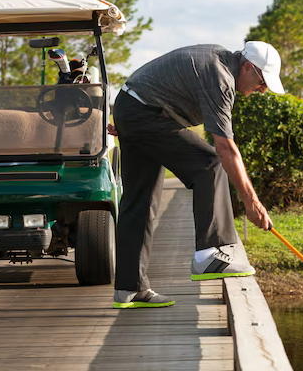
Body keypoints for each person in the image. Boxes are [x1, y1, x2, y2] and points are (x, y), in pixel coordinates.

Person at [111, 41, 285, 309]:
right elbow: (225, 148)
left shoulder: (219, 63)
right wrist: (252, 201)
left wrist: (127, 119)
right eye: (262, 82)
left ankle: (129, 289)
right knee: (210, 164)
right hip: (143, 113)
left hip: (131, 107)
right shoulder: (221, 77)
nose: (261, 90)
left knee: (140, 200)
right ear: (248, 67)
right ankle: (212, 254)